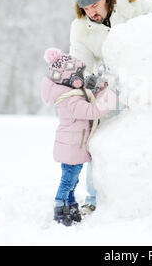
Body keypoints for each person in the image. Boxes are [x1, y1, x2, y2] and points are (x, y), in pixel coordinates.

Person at [69, 0, 152, 213]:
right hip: (109, 89)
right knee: (100, 140)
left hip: (145, 82)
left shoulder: (133, 2)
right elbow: (80, 68)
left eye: (95, 5)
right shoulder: (80, 28)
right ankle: (95, 197)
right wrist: (93, 79)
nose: (91, 12)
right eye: (86, 8)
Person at [40, 47, 116, 226]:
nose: (84, 76)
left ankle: (71, 206)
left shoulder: (72, 94)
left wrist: (100, 86)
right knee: (68, 181)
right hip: (71, 147)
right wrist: (112, 94)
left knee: (72, 180)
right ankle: (60, 208)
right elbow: (93, 110)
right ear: (72, 80)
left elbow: (90, 97)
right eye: (81, 74)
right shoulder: (70, 100)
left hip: (74, 145)